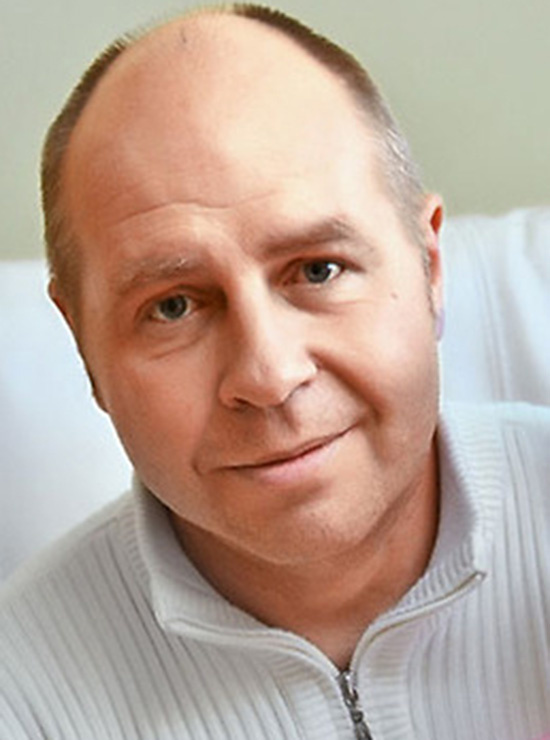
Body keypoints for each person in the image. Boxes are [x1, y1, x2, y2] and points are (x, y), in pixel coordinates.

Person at [1, 5, 549, 739]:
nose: (268, 374)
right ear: (83, 346)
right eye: (172, 307)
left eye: (319, 269)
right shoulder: (21, 699)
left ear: (430, 269)